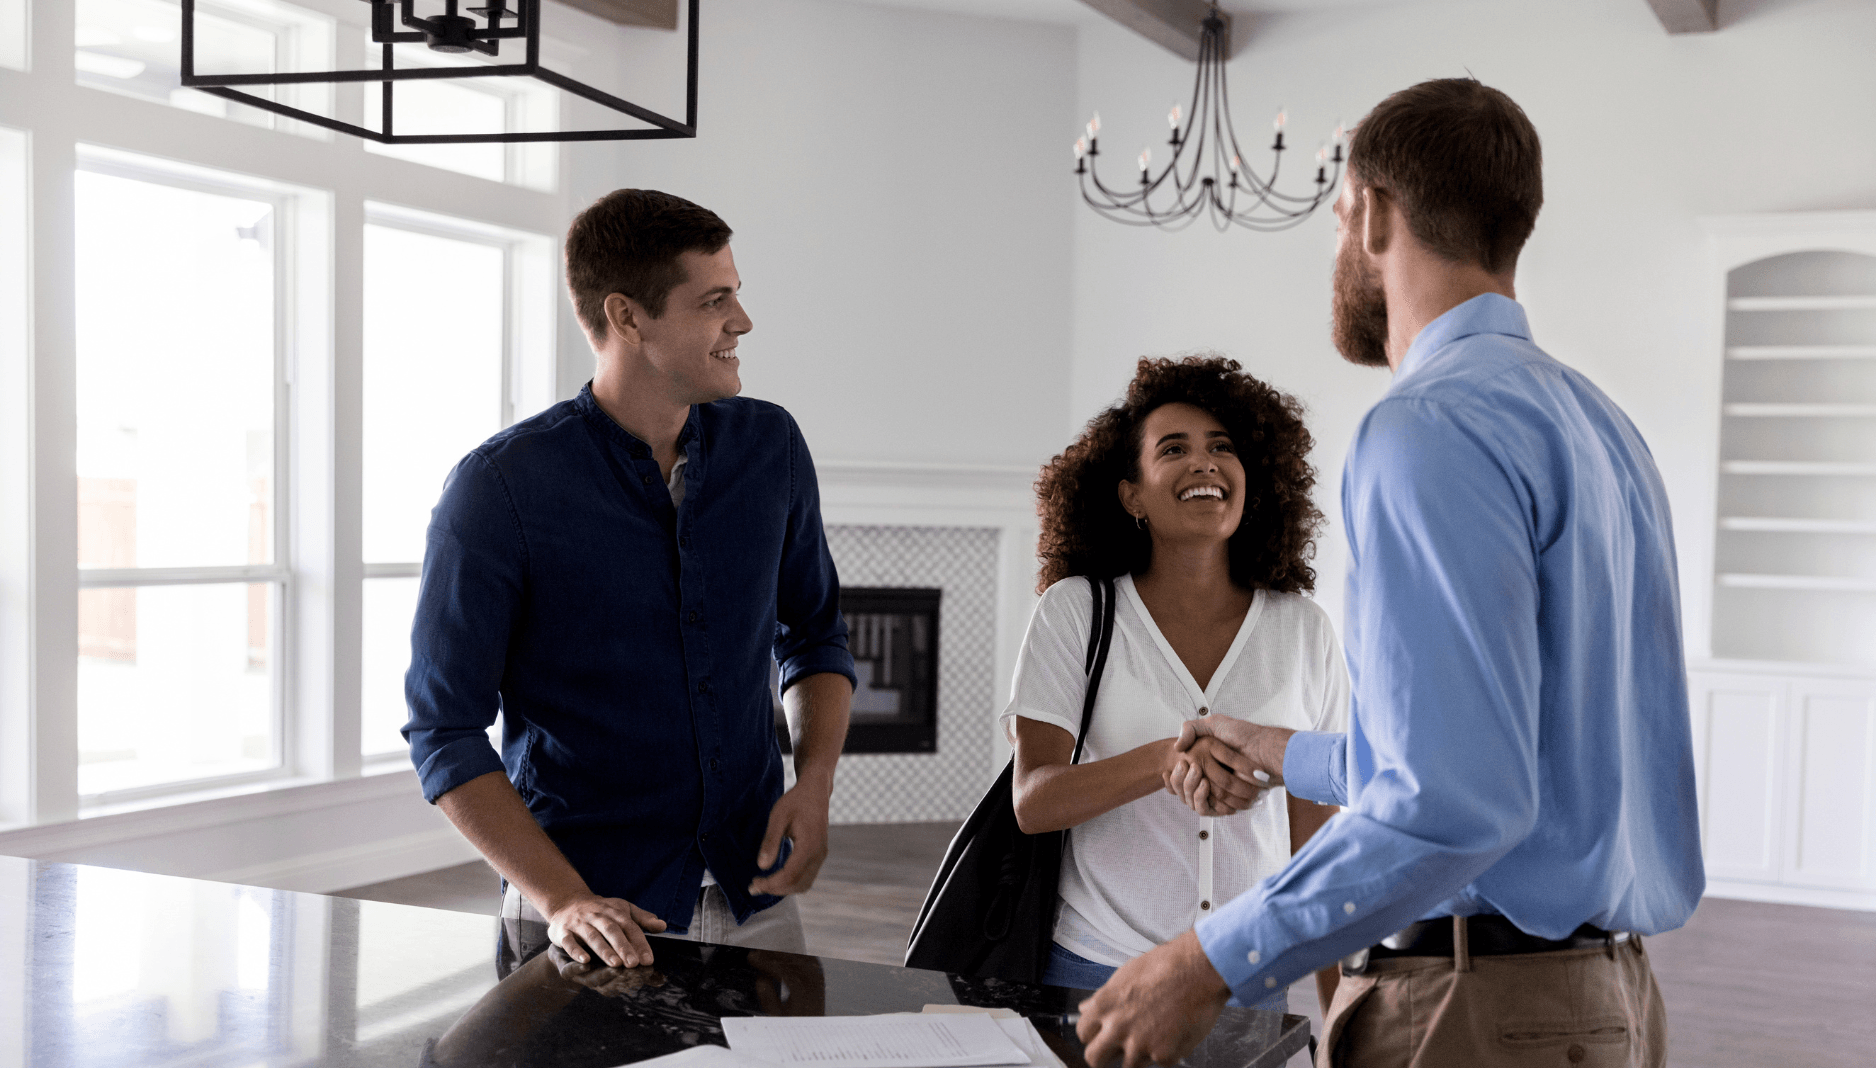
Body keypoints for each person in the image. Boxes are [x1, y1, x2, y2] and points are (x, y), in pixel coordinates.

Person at [1075, 79, 1703, 1068]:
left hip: (1475, 1013)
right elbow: (1500, 762)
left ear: (1369, 212)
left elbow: (1452, 806)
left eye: (1334, 219)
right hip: (1608, 999)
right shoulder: (1600, 428)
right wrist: (1279, 749)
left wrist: (1206, 959)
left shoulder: (1427, 428)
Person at [402, 189, 857, 976]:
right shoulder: (499, 489)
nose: (741, 322)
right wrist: (562, 900)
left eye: (736, 295)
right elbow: (443, 731)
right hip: (589, 922)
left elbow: (814, 635)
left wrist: (813, 785)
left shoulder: (771, 447)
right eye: (714, 301)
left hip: (759, 901)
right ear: (628, 316)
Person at [1004, 355, 1347, 1014]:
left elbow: (1317, 843)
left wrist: (1338, 1015)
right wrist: (1165, 760)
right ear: (1131, 494)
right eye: (1174, 449)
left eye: (1223, 448)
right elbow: (1033, 800)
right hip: (1096, 974)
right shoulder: (1077, 611)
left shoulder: (1304, 630)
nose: (1206, 463)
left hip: (1246, 979)